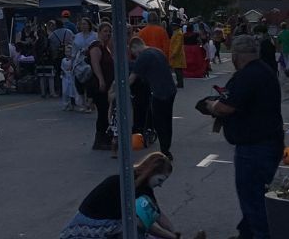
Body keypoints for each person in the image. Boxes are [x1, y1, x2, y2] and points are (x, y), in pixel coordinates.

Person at [196, 35, 283, 239]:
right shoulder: (264, 71)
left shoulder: (247, 76)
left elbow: (225, 107)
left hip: (254, 148)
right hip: (269, 143)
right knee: (256, 197)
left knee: (253, 200)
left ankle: (260, 234)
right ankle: (247, 233)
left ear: (236, 55)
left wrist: (210, 105)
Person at [59, 152, 194, 239]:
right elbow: (143, 224)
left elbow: (156, 213)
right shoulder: (129, 184)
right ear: (151, 172)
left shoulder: (143, 185)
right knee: (138, 233)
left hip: (108, 223)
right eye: (160, 180)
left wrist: (175, 232)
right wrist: (172, 237)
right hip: (92, 227)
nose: (161, 185)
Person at [129, 38, 178, 159]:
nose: (135, 55)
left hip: (159, 92)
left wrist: (116, 89)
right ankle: (166, 147)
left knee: (159, 122)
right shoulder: (158, 51)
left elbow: (131, 79)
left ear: (135, 47)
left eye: (133, 52)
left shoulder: (143, 57)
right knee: (167, 120)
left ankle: (164, 151)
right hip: (171, 89)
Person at [88, 22, 116, 150]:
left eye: (109, 31)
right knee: (103, 112)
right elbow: (95, 65)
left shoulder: (106, 46)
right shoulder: (96, 46)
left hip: (108, 84)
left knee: (106, 111)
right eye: (105, 31)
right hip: (99, 85)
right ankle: (99, 140)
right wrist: (101, 80)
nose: (108, 34)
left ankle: (104, 137)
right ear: (99, 32)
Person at [35, 26, 57, 99]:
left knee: (42, 77)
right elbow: (52, 51)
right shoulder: (48, 41)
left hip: (40, 61)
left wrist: (37, 60)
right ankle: (52, 92)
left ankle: (43, 92)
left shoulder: (37, 42)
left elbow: (34, 52)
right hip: (49, 61)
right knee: (50, 77)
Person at [168, 24, 186, 89]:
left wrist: (174, 53)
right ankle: (179, 82)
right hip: (176, 54)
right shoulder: (176, 32)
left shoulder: (179, 33)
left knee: (178, 69)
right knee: (177, 69)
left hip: (177, 55)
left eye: (174, 25)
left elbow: (178, 45)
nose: (172, 27)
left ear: (177, 26)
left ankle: (180, 83)